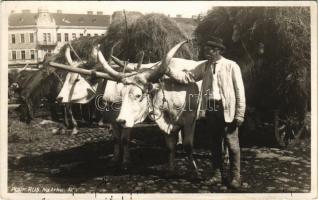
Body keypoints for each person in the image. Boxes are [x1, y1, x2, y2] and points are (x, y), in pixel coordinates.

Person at [169, 36, 246, 189]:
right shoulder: (205, 66)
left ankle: (235, 177)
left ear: (217, 50)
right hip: (211, 110)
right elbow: (188, 77)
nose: (205, 52)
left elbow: (239, 91)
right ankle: (217, 175)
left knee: (232, 144)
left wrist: (239, 114)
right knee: (215, 144)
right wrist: (168, 70)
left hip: (227, 109)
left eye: (208, 50)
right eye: (205, 50)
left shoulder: (231, 66)